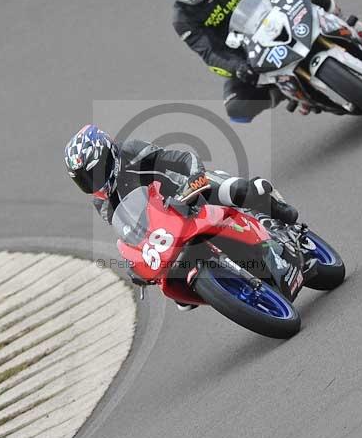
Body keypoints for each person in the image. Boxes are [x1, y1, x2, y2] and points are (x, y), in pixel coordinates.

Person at [63, 124, 305, 309]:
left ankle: (281, 220)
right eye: (84, 179)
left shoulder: (131, 152)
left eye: (93, 172)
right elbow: (128, 231)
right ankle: (230, 286)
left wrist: (192, 179)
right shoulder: (102, 202)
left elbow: (180, 159)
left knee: (242, 191)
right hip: (168, 225)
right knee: (181, 300)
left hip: (192, 189)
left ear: (108, 154)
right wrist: (136, 262)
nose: (92, 182)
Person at [153, 0, 362, 122]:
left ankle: (342, 19)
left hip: (270, 10)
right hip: (245, 50)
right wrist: (237, 67)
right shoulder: (182, 19)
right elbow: (210, 55)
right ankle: (283, 90)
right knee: (236, 107)